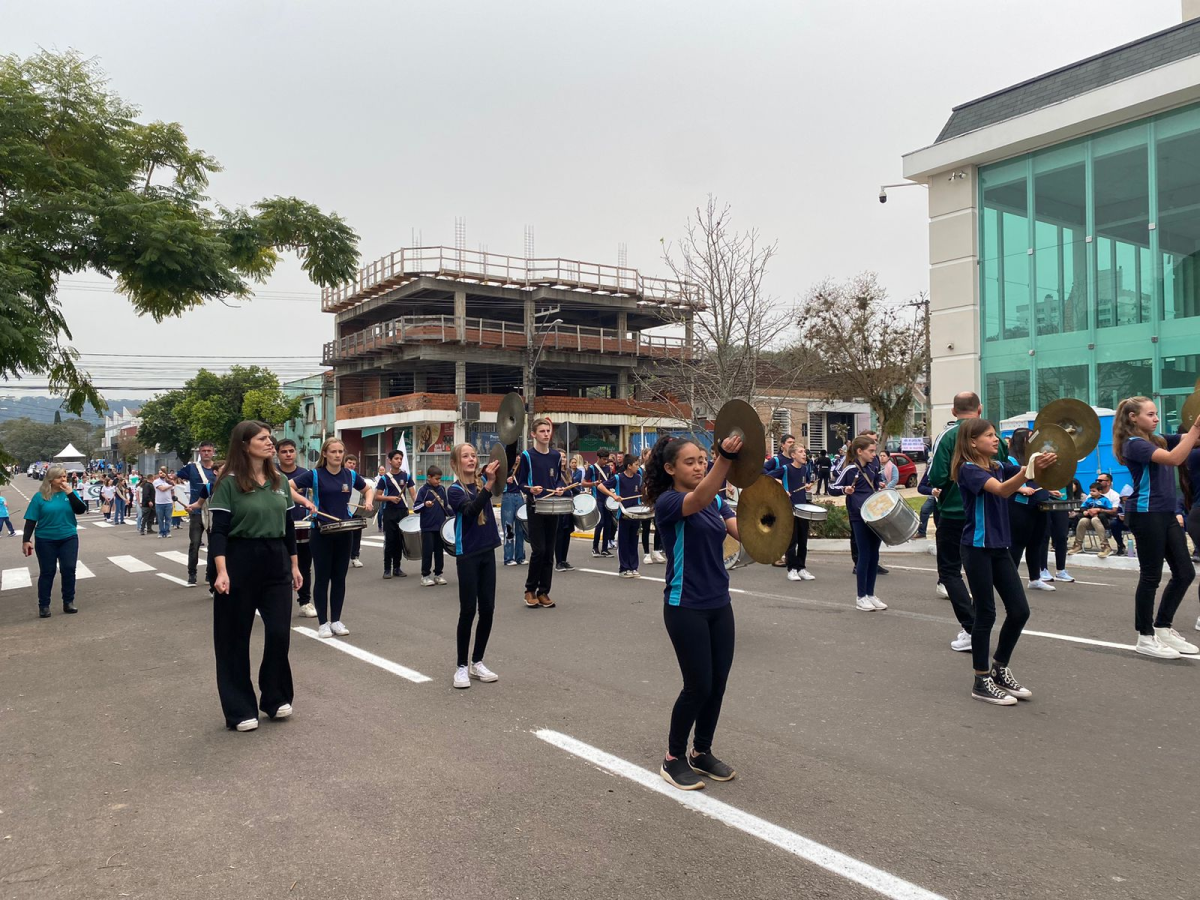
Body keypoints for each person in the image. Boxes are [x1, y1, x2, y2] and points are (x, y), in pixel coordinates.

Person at [646, 433, 742, 791]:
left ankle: (701, 752)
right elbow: (699, 498)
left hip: (720, 602)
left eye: (703, 460)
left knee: (717, 684)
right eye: (692, 461)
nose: (700, 466)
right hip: (685, 605)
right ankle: (673, 759)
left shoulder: (716, 501)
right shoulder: (670, 502)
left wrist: (775, 520)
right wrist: (726, 459)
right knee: (697, 685)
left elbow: (742, 532)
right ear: (671, 469)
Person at [952, 418, 1055, 706]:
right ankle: (981, 680)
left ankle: (999, 669)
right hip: (976, 548)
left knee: (1020, 611)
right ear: (973, 442)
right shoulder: (968, 470)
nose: (995, 439)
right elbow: (1002, 489)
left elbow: (1026, 474)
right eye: (988, 435)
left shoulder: (997, 465)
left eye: (995, 434)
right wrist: (1027, 472)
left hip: (999, 547)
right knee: (986, 614)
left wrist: (1046, 460)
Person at [208, 420, 302, 732]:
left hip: (275, 559)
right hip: (238, 560)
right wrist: (221, 572)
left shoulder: (278, 482)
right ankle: (239, 708)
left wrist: (295, 565)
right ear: (245, 445)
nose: (269, 443)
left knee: (279, 633)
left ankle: (274, 698)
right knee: (234, 637)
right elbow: (218, 532)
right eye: (262, 438)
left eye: (269, 438)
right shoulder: (228, 483)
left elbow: (288, 528)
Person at [1112, 397, 1200, 659]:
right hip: (1145, 514)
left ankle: (1162, 627)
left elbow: (1190, 443)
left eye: (1156, 414)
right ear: (1132, 417)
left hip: (1165, 513)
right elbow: (1174, 458)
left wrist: (1195, 432)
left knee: (1185, 572)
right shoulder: (1134, 444)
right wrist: (1195, 427)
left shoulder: (1157, 438)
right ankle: (1145, 636)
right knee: (1151, 577)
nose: (1156, 418)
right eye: (1150, 414)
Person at [929, 392, 1009, 653]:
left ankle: (971, 627)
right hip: (989, 513)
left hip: (954, 513)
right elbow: (1004, 467)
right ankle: (980, 628)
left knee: (950, 572)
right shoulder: (992, 434)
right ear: (980, 409)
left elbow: (936, 476)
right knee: (985, 573)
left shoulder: (947, 435)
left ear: (953, 411)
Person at [290, 439, 375, 639]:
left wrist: (369, 502)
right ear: (325, 454)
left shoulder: (351, 475)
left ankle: (336, 620)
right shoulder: (315, 475)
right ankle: (323, 623)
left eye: (340, 451)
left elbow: (368, 489)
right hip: (321, 531)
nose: (338, 455)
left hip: (344, 531)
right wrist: (306, 501)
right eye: (333, 452)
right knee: (322, 577)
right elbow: (288, 486)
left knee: (339, 578)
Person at [447, 443, 501, 689]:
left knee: (488, 609)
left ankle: (477, 661)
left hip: (487, 550)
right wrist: (488, 484)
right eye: (465, 456)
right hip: (467, 554)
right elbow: (470, 511)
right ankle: (461, 666)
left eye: (473, 455)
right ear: (456, 463)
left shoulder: (482, 482)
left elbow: (501, 474)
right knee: (468, 610)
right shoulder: (454, 490)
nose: (471, 459)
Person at [830, 435, 888, 611]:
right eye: (870, 451)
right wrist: (844, 489)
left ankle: (870, 594)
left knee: (874, 555)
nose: (874, 454)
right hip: (858, 516)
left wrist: (881, 485)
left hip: (874, 515)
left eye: (874, 451)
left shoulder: (873, 467)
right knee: (864, 555)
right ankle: (861, 596)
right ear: (859, 451)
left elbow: (876, 483)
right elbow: (831, 488)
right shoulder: (849, 470)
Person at [22, 465, 87, 618]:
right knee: (47, 572)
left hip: (68, 537)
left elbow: (80, 510)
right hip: (46, 539)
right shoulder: (40, 497)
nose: (63, 479)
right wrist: (26, 540)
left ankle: (68, 601)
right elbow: (31, 520)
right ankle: (44, 605)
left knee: (69, 569)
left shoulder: (70, 494)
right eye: (59, 477)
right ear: (51, 480)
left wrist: (70, 493)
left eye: (65, 476)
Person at [515, 417, 567, 608]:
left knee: (549, 552)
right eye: (542, 431)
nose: (546, 434)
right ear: (533, 434)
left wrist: (560, 488)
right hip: (535, 506)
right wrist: (531, 489)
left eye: (548, 431)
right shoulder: (527, 456)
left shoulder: (555, 456)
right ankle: (530, 590)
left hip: (553, 505)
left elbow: (558, 480)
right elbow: (520, 482)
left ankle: (544, 591)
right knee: (539, 550)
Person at [1005, 428, 1054, 593]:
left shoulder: (1035, 458)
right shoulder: (1010, 459)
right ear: (1023, 440)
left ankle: (1035, 578)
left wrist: (1049, 489)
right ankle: (1010, 579)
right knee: (1018, 543)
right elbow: (1006, 480)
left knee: (1037, 542)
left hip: (1038, 504)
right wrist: (1021, 488)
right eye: (1031, 438)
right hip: (1019, 506)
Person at [276, 440, 317, 618]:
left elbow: (314, 494)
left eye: (291, 451)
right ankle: (278, 604)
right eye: (284, 451)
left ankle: (305, 602)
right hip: (278, 527)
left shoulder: (305, 474)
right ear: (277, 454)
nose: (288, 454)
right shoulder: (271, 473)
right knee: (280, 567)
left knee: (304, 566)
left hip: (302, 525)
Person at [768, 444, 816, 581]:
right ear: (793, 455)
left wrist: (807, 485)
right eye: (800, 452)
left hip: (803, 508)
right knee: (791, 540)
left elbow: (805, 482)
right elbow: (767, 477)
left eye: (804, 452)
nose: (804, 454)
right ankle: (792, 569)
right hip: (789, 509)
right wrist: (781, 489)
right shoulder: (785, 469)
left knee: (803, 540)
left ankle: (801, 568)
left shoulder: (805, 469)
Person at [178, 441, 217, 587]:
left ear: (213, 452)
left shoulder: (218, 469)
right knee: (194, 543)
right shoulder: (192, 468)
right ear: (199, 452)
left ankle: (210, 573)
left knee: (213, 545)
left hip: (213, 512)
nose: (206, 453)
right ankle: (192, 574)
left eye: (209, 450)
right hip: (196, 512)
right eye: (203, 451)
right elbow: (176, 477)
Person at [601, 453, 643, 578]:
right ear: (629, 466)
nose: (638, 466)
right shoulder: (618, 478)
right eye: (636, 464)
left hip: (636, 514)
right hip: (624, 514)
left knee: (634, 542)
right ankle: (624, 568)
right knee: (624, 542)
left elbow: (642, 492)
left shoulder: (639, 478)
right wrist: (614, 496)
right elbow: (601, 486)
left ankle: (633, 567)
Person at [377, 449, 416, 579]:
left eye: (401, 459)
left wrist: (418, 505)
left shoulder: (407, 476)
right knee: (390, 540)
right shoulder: (384, 478)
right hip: (389, 511)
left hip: (403, 511)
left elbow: (413, 493)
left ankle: (397, 568)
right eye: (396, 458)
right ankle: (387, 569)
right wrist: (390, 498)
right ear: (389, 461)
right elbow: (377, 496)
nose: (399, 461)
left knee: (400, 540)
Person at [1037, 481, 1077, 584]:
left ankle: (1061, 570)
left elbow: (1068, 482)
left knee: (1062, 536)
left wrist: (1069, 503)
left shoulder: (1066, 467)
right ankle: (1042, 569)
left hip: (1061, 503)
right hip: (1044, 502)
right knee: (1044, 536)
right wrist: (1048, 491)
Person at [415, 465, 449, 586]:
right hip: (427, 527)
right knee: (427, 552)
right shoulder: (423, 490)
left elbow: (445, 506)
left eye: (440, 479)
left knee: (439, 552)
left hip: (440, 526)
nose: (438, 481)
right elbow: (415, 508)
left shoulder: (442, 490)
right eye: (436, 479)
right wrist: (425, 504)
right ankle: (425, 576)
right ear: (429, 477)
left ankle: (438, 574)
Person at [554, 454, 582, 573]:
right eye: (561, 457)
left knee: (567, 534)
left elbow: (574, 488)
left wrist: (578, 490)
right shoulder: (553, 472)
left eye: (565, 457)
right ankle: (558, 561)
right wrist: (558, 490)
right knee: (559, 534)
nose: (564, 459)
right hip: (559, 506)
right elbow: (551, 487)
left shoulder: (569, 472)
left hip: (568, 505)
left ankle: (564, 560)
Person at [1069, 483, 1114, 557]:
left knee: (1095, 520)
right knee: (1082, 520)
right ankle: (1078, 545)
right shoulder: (1089, 499)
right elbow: (1083, 507)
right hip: (1090, 519)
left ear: (1100, 491)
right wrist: (1085, 511)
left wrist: (1099, 512)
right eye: (1090, 491)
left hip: (1101, 521)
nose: (1091, 493)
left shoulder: (1105, 500)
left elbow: (1109, 511)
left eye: (1093, 491)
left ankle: (1106, 546)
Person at [638, 448, 665, 565]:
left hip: (656, 499)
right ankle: (646, 553)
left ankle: (656, 550)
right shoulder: (639, 470)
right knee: (646, 527)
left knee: (658, 525)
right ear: (643, 456)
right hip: (645, 501)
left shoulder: (656, 469)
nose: (650, 457)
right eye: (648, 455)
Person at [344, 455, 371, 568]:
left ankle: (355, 557)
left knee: (356, 534)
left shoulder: (356, 478)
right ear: (344, 463)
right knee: (345, 535)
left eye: (354, 464)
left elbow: (367, 491)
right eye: (349, 462)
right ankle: (344, 557)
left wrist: (366, 502)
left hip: (356, 509)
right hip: (344, 510)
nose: (351, 465)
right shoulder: (341, 476)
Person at [589, 448, 615, 558]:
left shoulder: (608, 468)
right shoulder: (591, 468)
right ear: (598, 458)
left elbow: (610, 481)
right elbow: (583, 482)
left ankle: (605, 548)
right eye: (604, 459)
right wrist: (594, 484)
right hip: (598, 498)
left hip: (607, 499)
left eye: (607, 459)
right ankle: (595, 548)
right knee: (600, 523)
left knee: (608, 524)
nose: (605, 461)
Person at [501, 463, 527, 568]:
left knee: (520, 528)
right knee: (509, 527)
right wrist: (505, 481)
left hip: (520, 496)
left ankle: (520, 557)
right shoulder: (504, 469)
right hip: (508, 496)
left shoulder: (523, 469)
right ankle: (508, 558)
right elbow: (496, 484)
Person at [153, 468, 175, 538]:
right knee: (160, 519)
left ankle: (167, 531)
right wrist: (171, 485)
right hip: (159, 503)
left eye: (163, 473)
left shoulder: (169, 482)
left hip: (168, 502)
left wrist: (173, 500)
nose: (162, 474)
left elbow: (172, 492)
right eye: (160, 473)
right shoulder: (156, 481)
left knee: (168, 518)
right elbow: (162, 489)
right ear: (158, 474)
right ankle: (161, 532)